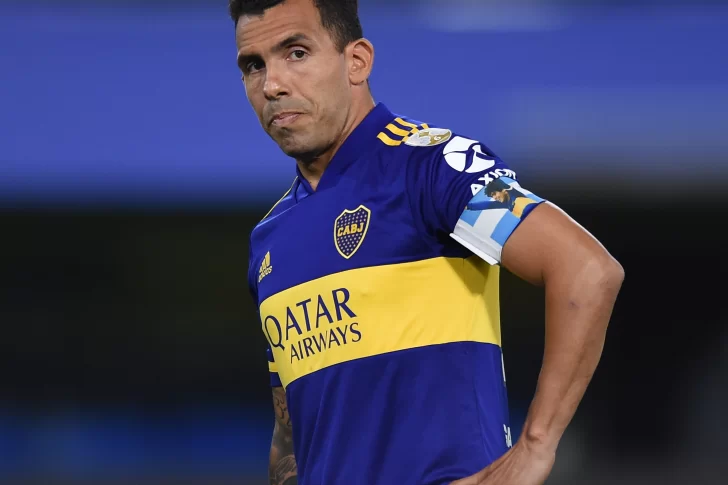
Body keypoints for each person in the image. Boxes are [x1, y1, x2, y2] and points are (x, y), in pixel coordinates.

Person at [229, 0, 624, 484]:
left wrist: (535, 447)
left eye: (296, 53)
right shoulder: (270, 241)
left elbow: (586, 268)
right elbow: (290, 433)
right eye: (254, 65)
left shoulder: (436, 167)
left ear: (357, 61)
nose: (272, 84)